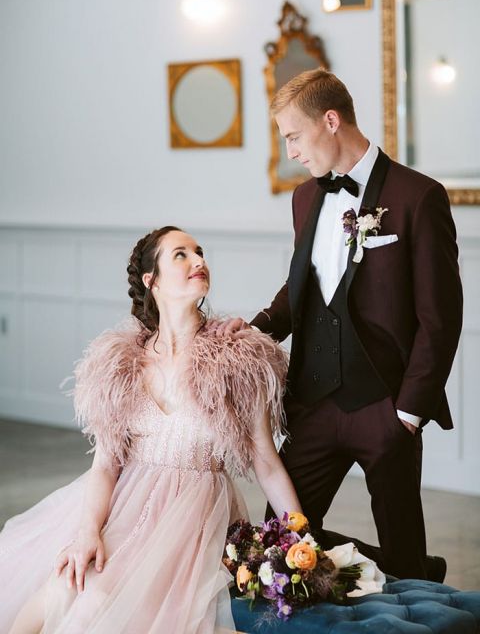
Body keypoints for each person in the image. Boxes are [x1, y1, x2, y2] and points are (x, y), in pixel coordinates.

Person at [217, 68, 463, 580]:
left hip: (386, 408)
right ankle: (398, 569)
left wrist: (408, 415)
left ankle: (413, 575)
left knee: (403, 554)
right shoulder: (305, 198)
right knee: (279, 544)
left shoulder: (420, 196)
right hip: (313, 404)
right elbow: (302, 290)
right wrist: (255, 330)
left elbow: (439, 318)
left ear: (330, 121)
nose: (291, 153)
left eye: (293, 136)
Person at [0, 226, 303, 634]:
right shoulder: (121, 362)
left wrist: (299, 537)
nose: (198, 261)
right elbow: (106, 465)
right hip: (126, 505)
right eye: (181, 254)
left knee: (101, 611)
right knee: (59, 592)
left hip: (193, 522)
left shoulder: (238, 358)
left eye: (200, 252)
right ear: (152, 280)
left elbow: (266, 463)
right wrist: (88, 532)